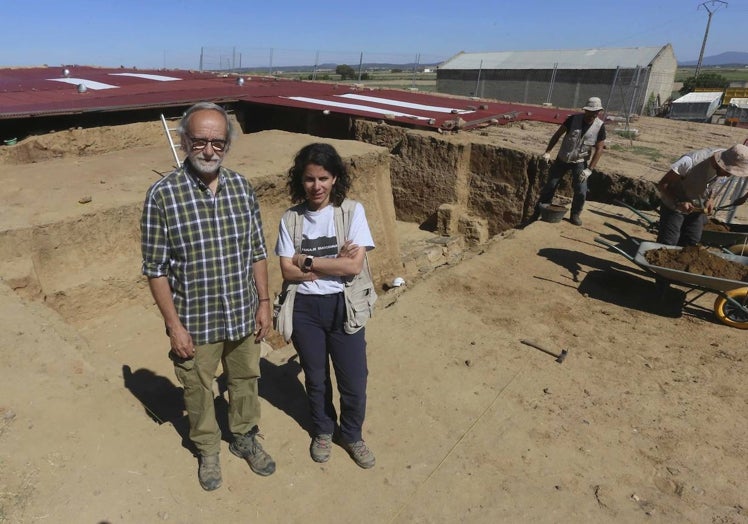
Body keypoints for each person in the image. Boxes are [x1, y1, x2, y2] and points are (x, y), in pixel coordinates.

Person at [141, 102, 275, 491]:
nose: (209, 150)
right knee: (197, 388)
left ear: (228, 144)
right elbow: (156, 269)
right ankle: (208, 449)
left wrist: (264, 302)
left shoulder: (241, 187)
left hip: (242, 312)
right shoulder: (162, 196)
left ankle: (245, 436)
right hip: (195, 321)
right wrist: (173, 326)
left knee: (246, 378)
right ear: (184, 142)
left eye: (217, 142)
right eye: (199, 141)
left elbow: (257, 251)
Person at [275, 143, 377, 469]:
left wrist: (307, 260)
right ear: (300, 180)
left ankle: (351, 434)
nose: (316, 186)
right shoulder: (291, 219)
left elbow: (353, 268)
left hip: (344, 304)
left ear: (334, 178)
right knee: (316, 379)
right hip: (305, 308)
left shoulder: (351, 213)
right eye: (309, 179)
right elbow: (287, 271)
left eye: (323, 177)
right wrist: (331, 262)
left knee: (353, 379)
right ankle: (322, 429)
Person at [531, 96, 607, 226]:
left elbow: (599, 149)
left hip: (580, 161)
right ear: (585, 110)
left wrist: (589, 169)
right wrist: (548, 151)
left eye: (595, 113)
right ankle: (539, 211)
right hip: (563, 158)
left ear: (598, 112)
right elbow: (557, 134)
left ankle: (575, 214)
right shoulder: (573, 120)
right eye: (590, 112)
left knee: (581, 190)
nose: (592, 115)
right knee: (550, 185)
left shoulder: (599, 126)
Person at [656, 144, 748, 247]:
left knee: (692, 239)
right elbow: (663, 184)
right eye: (728, 171)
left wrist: (710, 199)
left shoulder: (729, 161)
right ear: (721, 163)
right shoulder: (690, 162)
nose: (728, 175)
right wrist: (678, 202)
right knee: (669, 241)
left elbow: (714, 184)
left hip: (697, 207)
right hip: (674, 204)